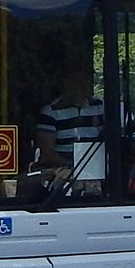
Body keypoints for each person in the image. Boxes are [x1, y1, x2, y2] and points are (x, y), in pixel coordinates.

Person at [34, 61, 105, 191]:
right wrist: (74, 166)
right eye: (75, 80)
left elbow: (109, 140)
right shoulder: (50, 112)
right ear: (64, 83)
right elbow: (47, 153)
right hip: (64, 171)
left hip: (97, 170)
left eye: (84, 79)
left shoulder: (100, 107)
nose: (80, 85)